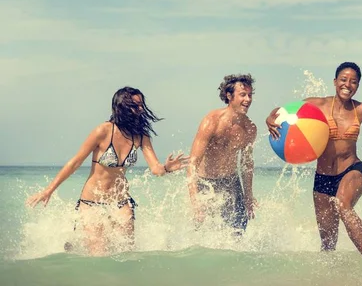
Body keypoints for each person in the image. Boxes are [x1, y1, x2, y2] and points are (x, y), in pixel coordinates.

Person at [266, 62, 362, 280]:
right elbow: (281, 111)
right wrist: (270, 118)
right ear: (335, 82)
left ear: (358, 85)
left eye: (353, 81)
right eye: (343, 80)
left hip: (352, 169)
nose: (348, 85)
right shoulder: (318, 105)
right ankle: (329, 278)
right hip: (323, 177)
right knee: (327, 241)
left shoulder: (361, 109)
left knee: (343, 205)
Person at [26, 86, 189, 255]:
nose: (140, 109)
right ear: (122, 107)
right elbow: (75, 162)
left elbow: (155, 169)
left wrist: (167, 168)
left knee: (126, 253)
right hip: (92, 202)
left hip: (120, 201)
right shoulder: (103, 131)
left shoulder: (141, 136)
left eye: (141, 105)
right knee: (99, 254)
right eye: (135, 105)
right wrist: (49, 191)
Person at [187, 74, 257, 237]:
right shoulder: (212, 121)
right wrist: (195, 200)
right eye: (243, 95)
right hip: (206, 182)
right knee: (204, 232)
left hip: (231, 182)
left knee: (238, 232)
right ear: (229, 96)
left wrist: (248, 196)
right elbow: (193, 162)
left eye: (250, 95)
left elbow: (247, 165)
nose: (248, 99)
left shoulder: (250, 129)